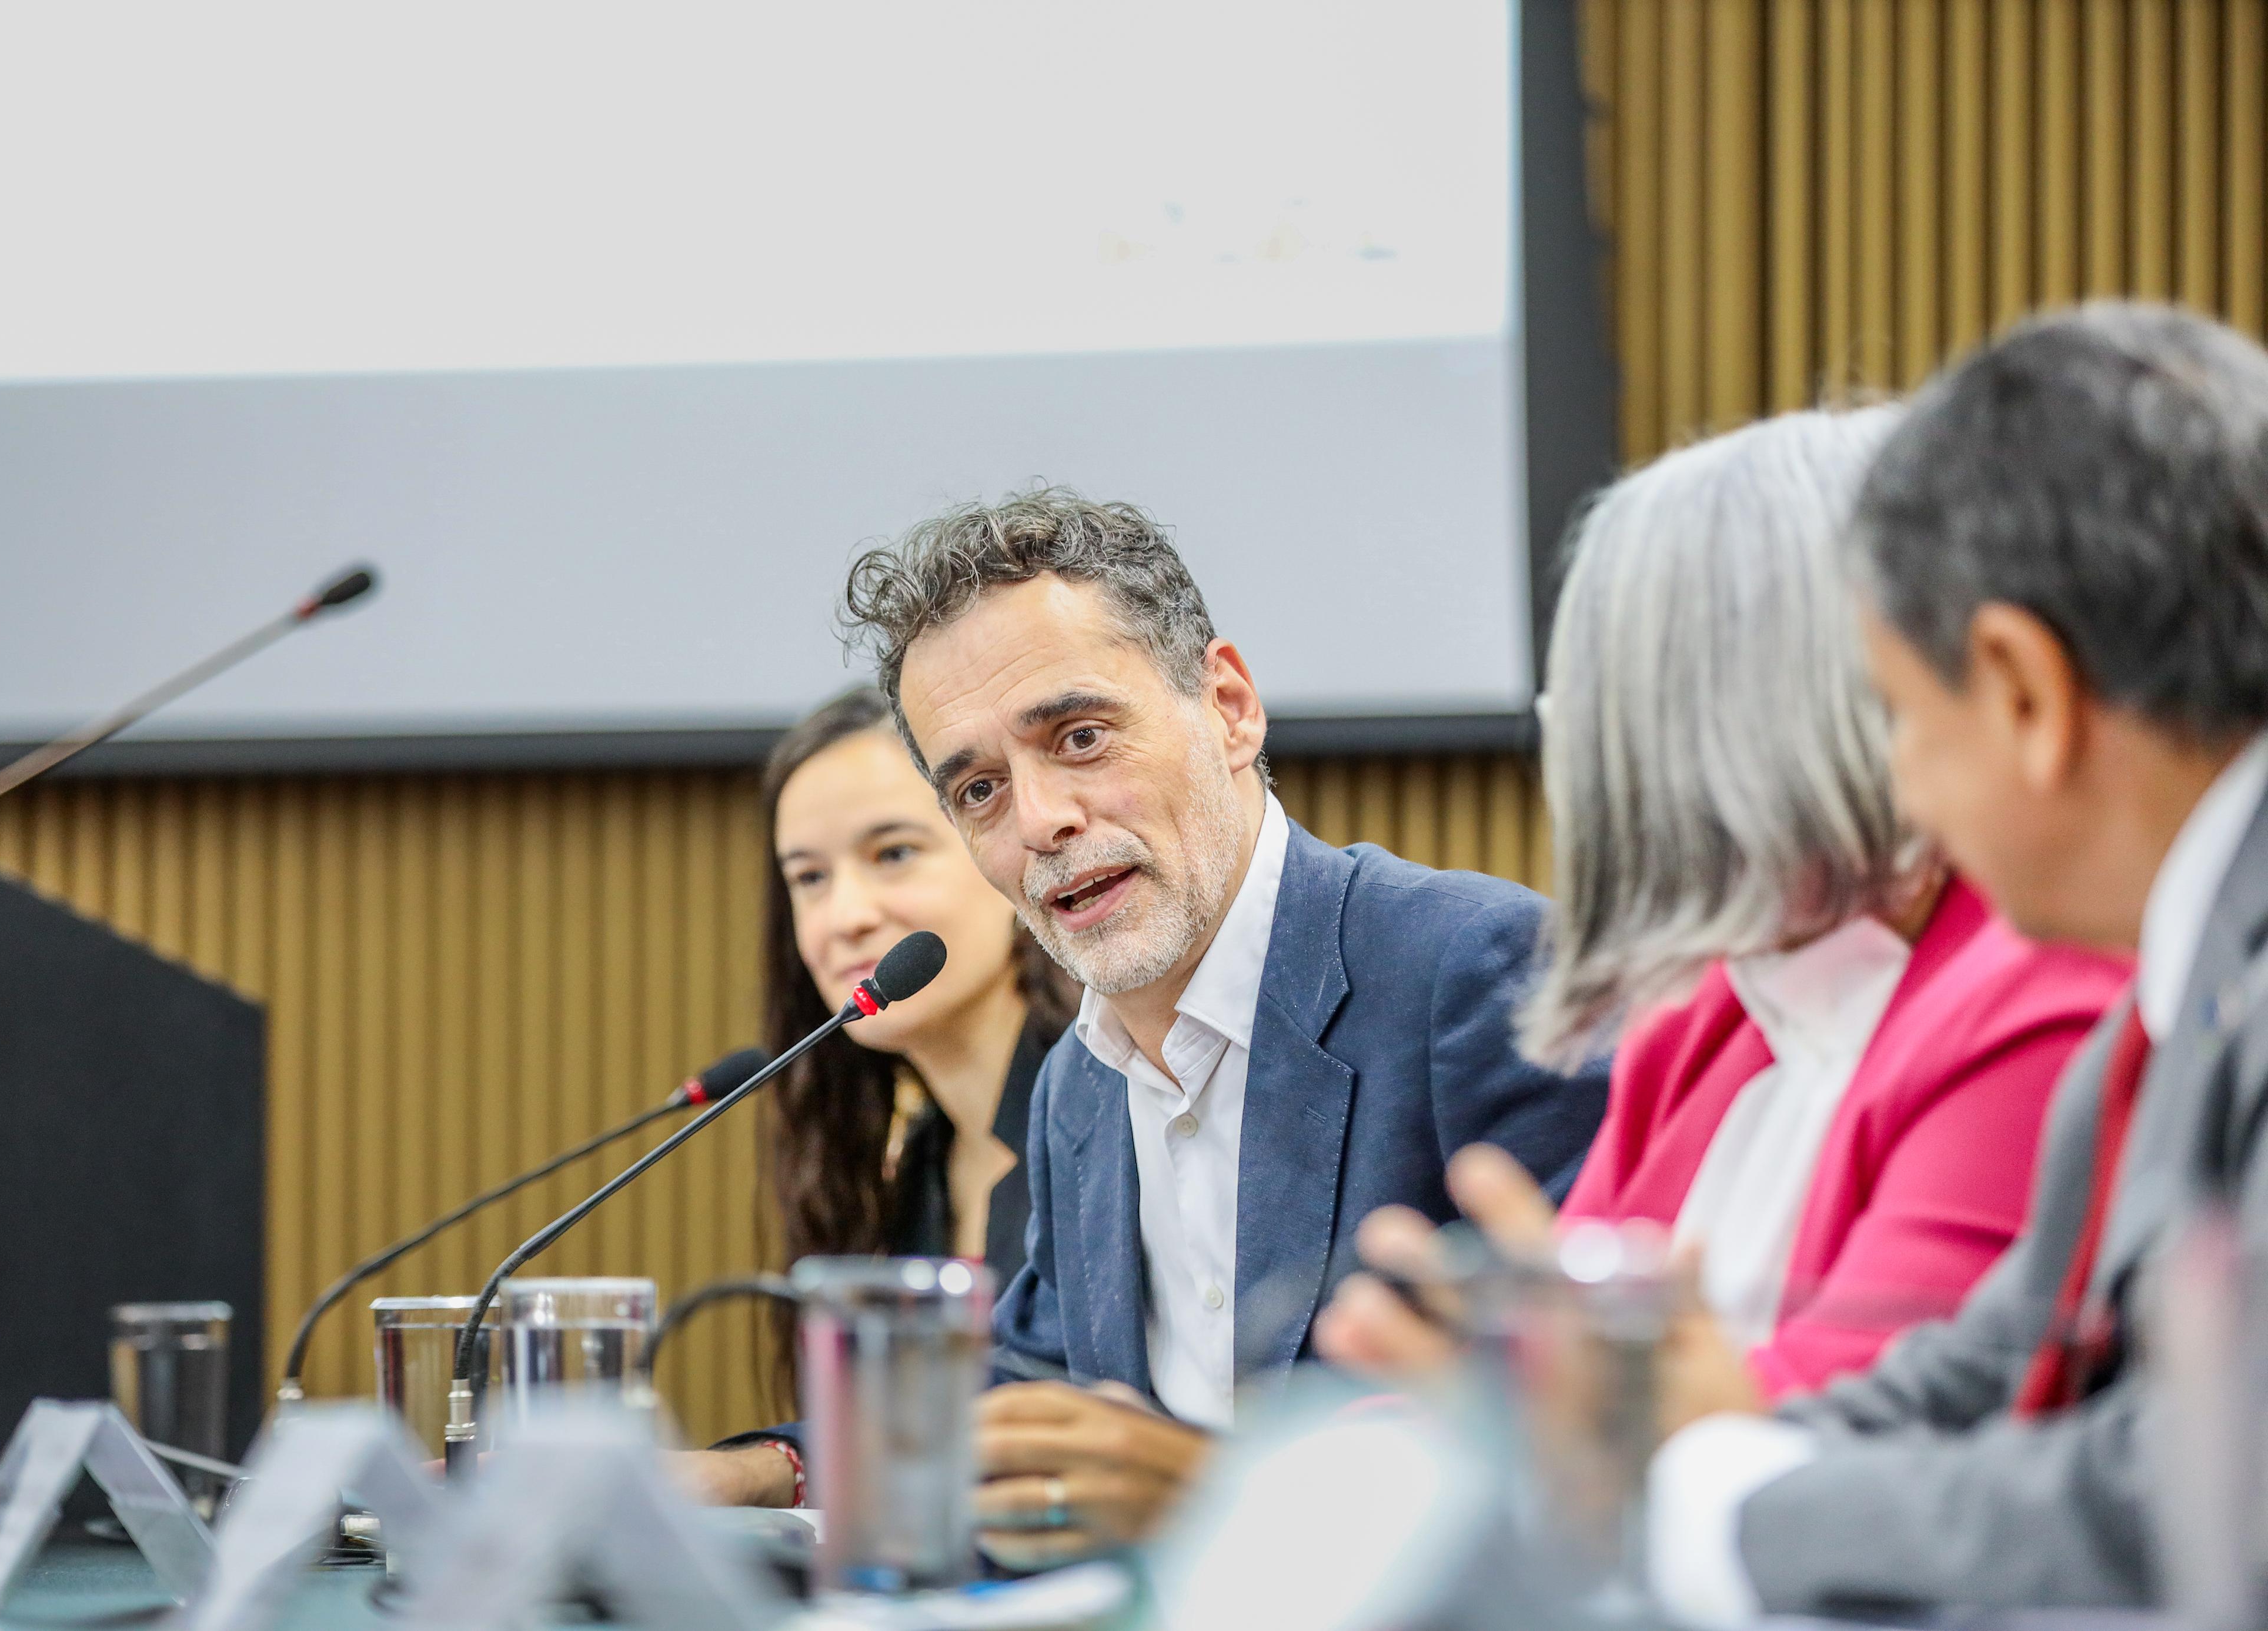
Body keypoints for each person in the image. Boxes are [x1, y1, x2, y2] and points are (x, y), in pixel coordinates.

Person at [1322, 303, 2268, 1620]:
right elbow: (1981, 1365)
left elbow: (2188, 1502)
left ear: (2023, 694)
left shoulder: (2104, 987)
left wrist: (1712, 1479)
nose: (1899, 789)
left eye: (1898, 716)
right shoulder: (2180, 981)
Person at [836, 487, 1610, 1568]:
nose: (1041, 819)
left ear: (1231, 706)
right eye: (977, 789)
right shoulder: (1078, 1088)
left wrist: (1219, 1495)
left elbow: (1608, 1448)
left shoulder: (1471, 969)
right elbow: (1026, 1400)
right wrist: (771, 1472)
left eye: (1082, 735)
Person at [1320, 408, 2125, 1399]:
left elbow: (1884, 1440)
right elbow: (1554, 1386)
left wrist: (1573, 1420)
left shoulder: (2042, 1002)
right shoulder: (1709, 1012)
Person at [688, 687, 1077, 1510]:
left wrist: (755, 1473)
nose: (845, 916)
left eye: (894, 853)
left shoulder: (1111, 1116)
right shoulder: (917, 1162)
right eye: (809, 878)